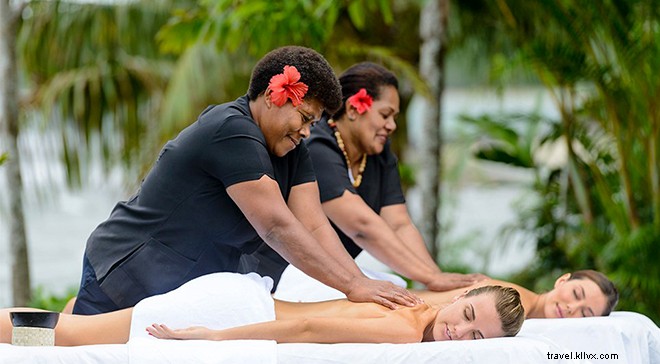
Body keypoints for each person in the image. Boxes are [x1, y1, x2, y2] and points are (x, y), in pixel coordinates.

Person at [72, 46, 420, 315]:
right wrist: (352, 286)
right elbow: (276, 226)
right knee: (77, 351)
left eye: (313, 123)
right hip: (126, 272)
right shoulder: (231, 129)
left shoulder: (294, 148)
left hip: (177, 291)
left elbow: (313, 225)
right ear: (274, 96)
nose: (307, 130)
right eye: (304, 117)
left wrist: (360, 283)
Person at [247, 62, 485, 291]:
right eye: (385, 115)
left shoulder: (380, 155)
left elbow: (399, 224)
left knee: (400, 290)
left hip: (339, 277)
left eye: (394, 117)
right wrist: (431, 278)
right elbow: (360, 226)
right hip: (288, 276)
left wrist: (435, 279)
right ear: (353, 108)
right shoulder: (315, 145)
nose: (392, 125)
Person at [0, 273, 524, 345]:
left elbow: (487, 288)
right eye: (468, 317)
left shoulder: (418, 304)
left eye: (479, 339)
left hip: (244, 296)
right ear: (459, 298)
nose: (461, 333)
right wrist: (213, 338)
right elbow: (306, 325)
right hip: (234, 312)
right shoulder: (408, 332)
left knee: (79, 324)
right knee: (69, 337)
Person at [415, 269, 619, 319]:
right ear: (562, 280)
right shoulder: (515, 303)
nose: (571, 308)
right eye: (576, 294)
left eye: (585, 313)